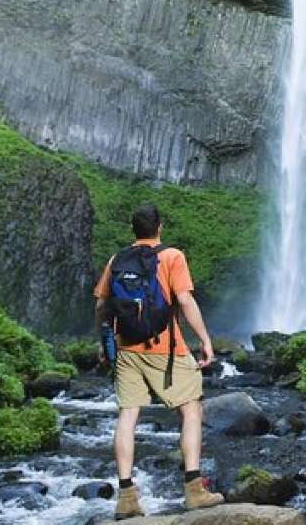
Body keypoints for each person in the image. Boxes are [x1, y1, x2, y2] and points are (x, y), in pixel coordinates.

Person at [93, 203, 224, 519]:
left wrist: (105, 341)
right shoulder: (172, 256)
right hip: (167, 351)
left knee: (127, 415)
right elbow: (185, 300)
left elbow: (101, 303)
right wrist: (205, 341)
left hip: (126, 350)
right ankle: (194, 489)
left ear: (133, 231)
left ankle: (126, 497)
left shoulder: (117, 260)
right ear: (159, 227)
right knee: (191, 408)